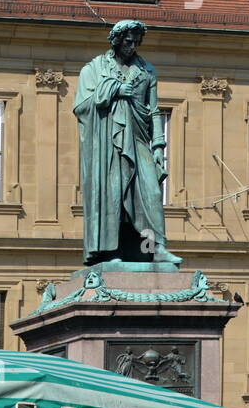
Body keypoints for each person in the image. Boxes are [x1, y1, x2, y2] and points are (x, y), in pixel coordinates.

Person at [73, 19, 181, 266]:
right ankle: (110, 252)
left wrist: (158, 147)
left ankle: (157, 249)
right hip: (108, 144)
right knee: (113, 196)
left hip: (139, 139)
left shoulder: (147, 71)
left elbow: (153, 110)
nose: (132, 46)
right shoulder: (94, 69)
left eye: (136, 42)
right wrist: (112, 91)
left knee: (152, 193)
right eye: (127, 41)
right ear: (116, 41)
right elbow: (80, 107)